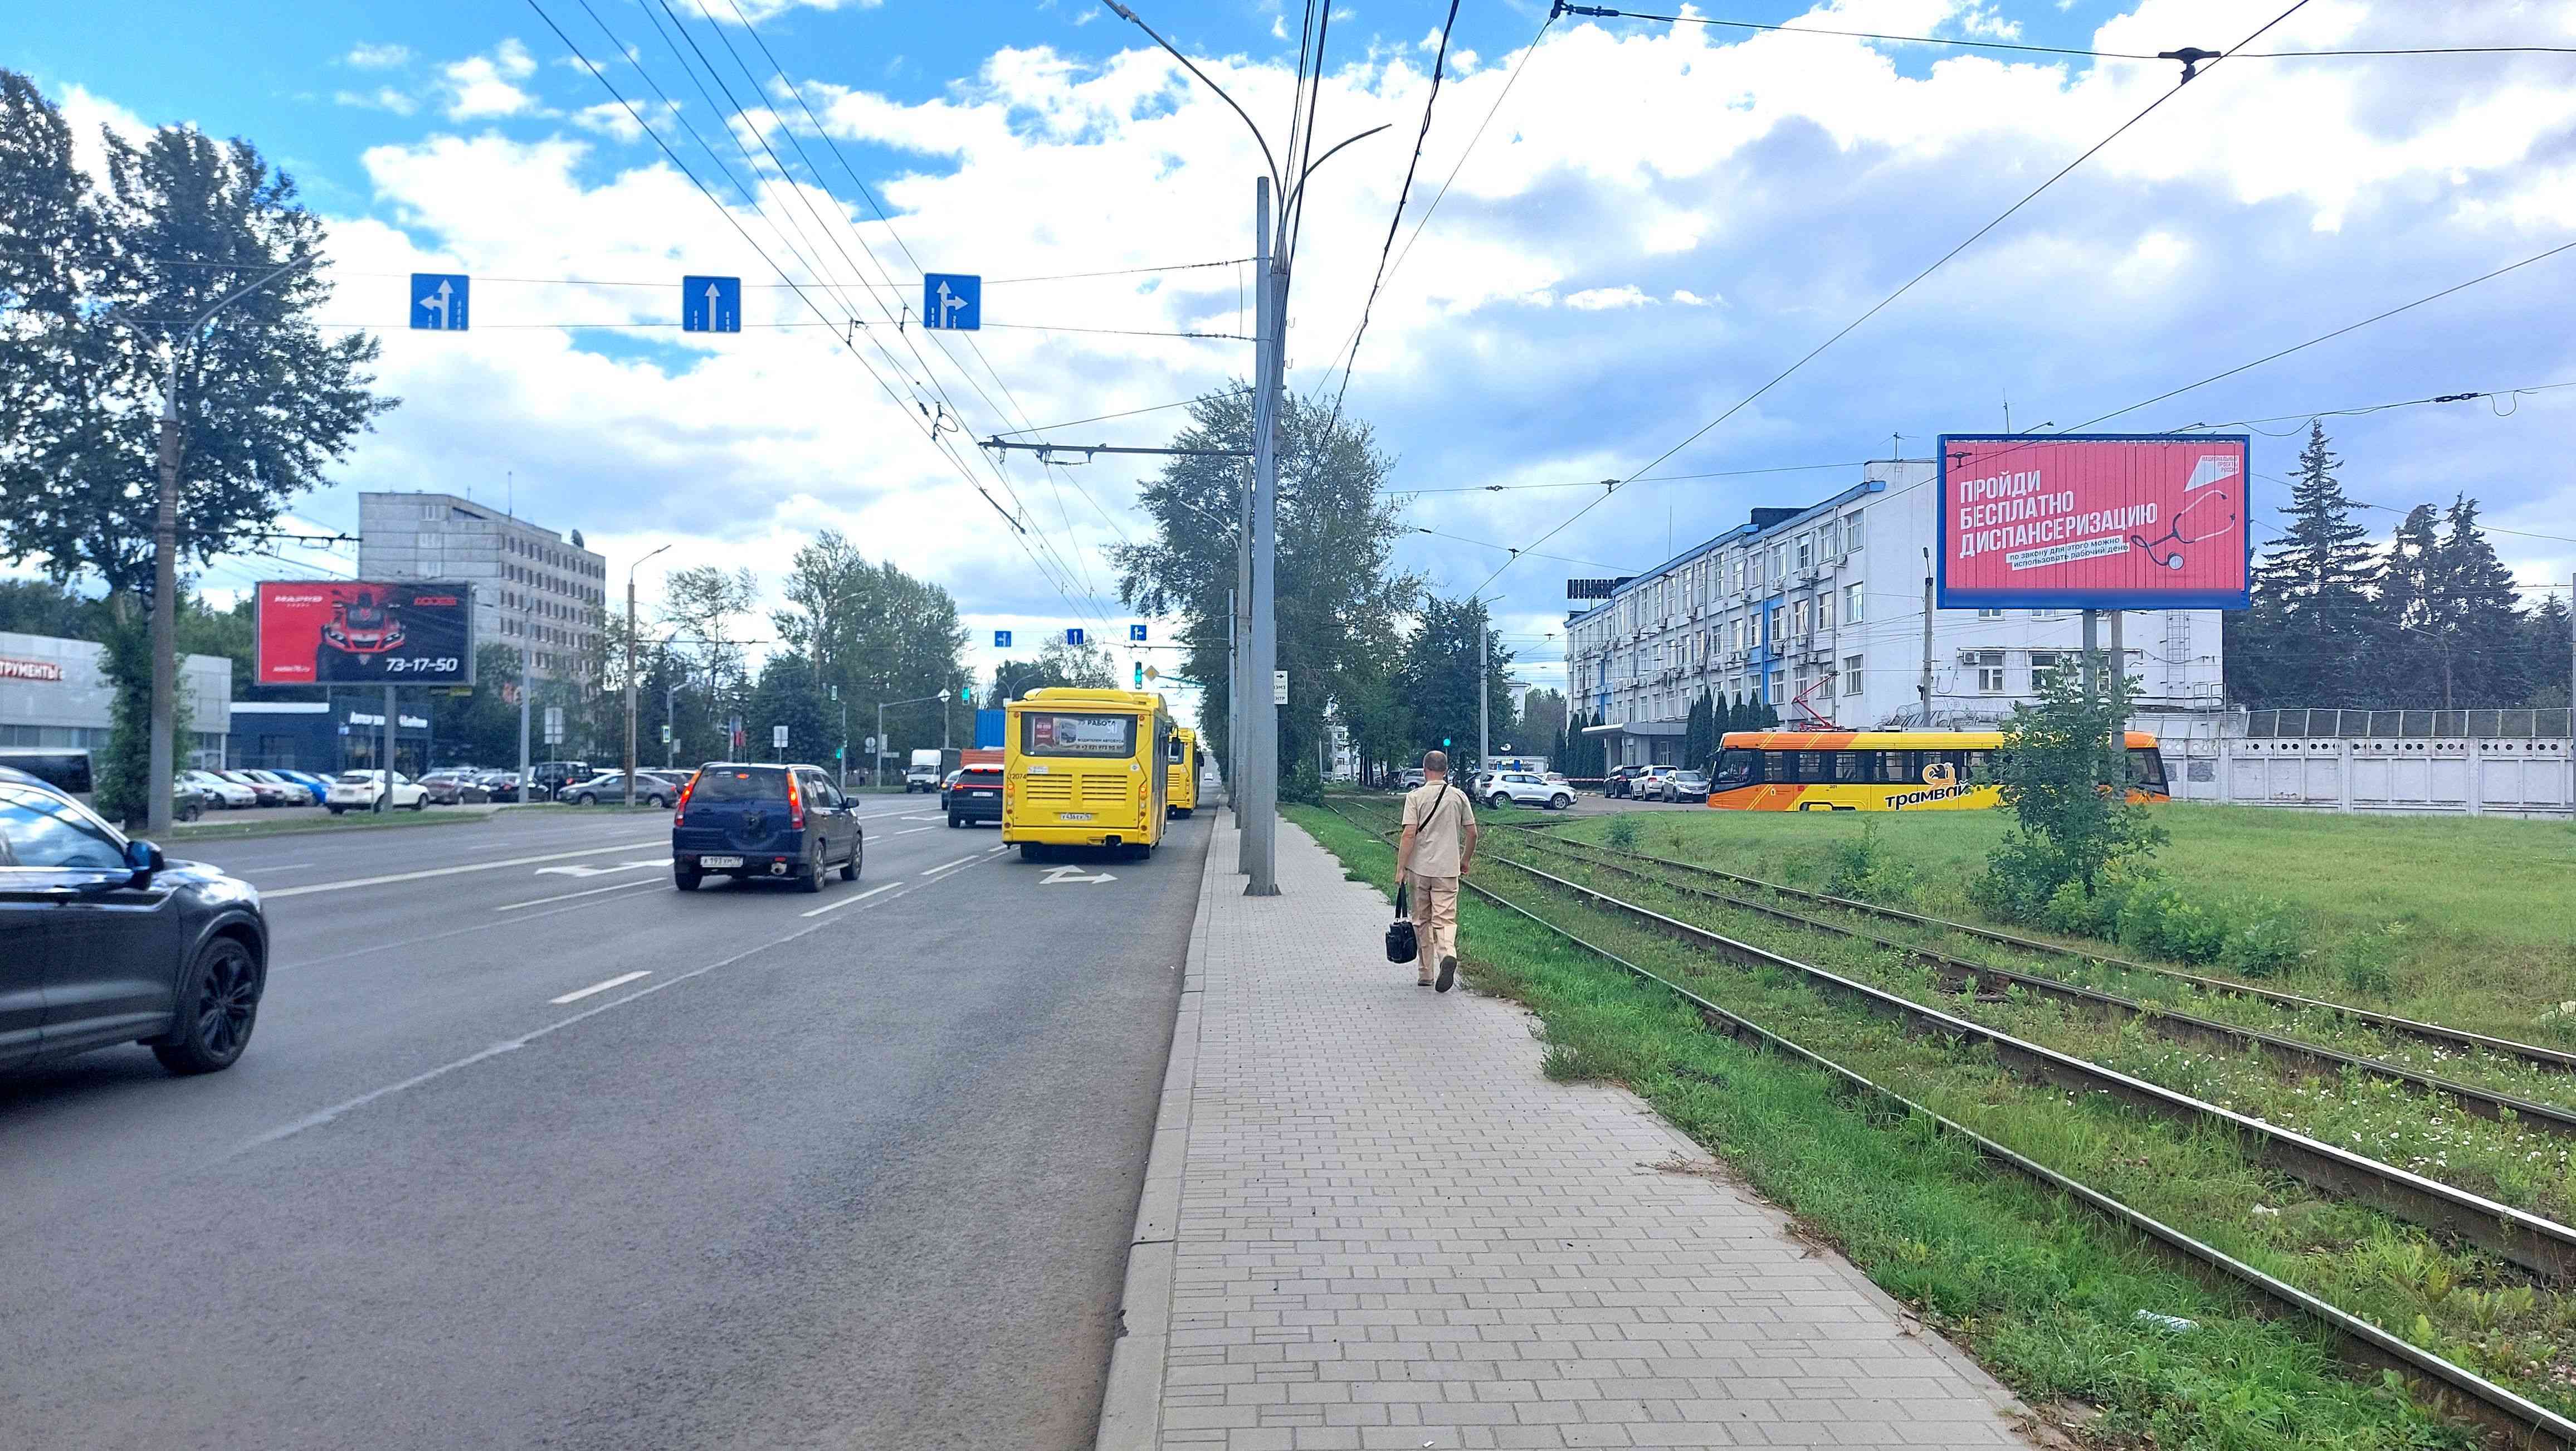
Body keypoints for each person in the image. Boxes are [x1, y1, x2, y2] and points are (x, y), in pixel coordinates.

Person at [1396, 749, 1478, 992]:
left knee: (1422, 920)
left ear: (1425, 770)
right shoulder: (1459, 796)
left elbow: (1409, 833)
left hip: (1420, 869)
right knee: (1445, 919)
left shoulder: (1415, 797)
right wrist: (1465, 860)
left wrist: (1400, 868)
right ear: (1446, 771)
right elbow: (1473, 833)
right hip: (1448, 869)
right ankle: (1448, 954)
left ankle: (1425, 974)